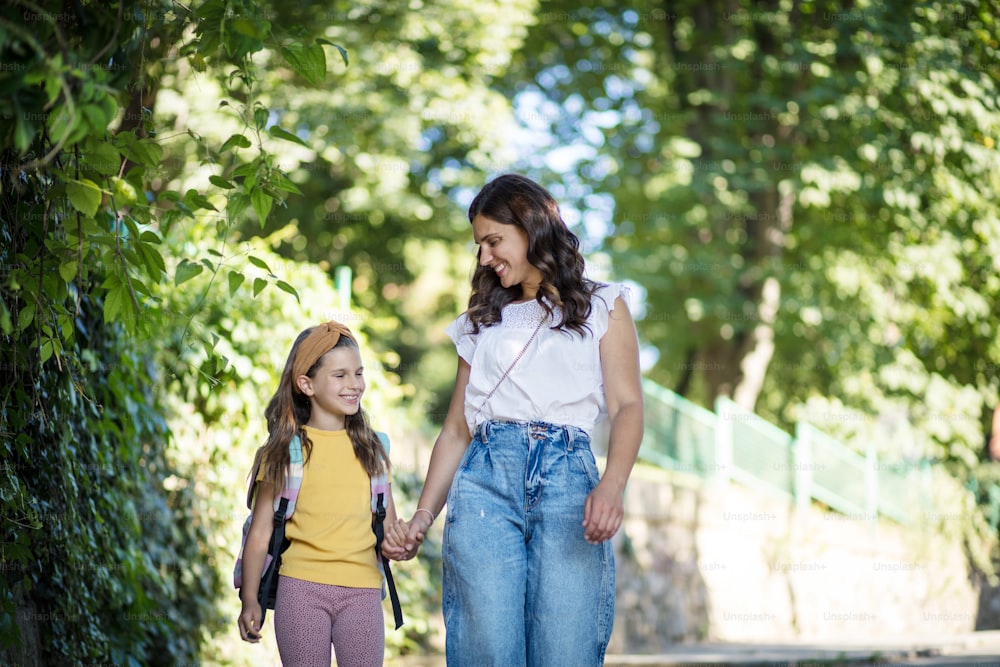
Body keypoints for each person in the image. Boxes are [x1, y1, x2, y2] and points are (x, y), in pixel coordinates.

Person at [383, 174, 644, 666]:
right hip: (485, 483)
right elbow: (457, 429)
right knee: (488, 651)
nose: (484, 257)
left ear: (530, 228)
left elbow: (628, 405)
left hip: (570, 484)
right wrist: (422, 517)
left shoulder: (604, 305)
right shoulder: (481, 319)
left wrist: (612, 484)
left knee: (565, 650)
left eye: (493, 241)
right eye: (479, 246)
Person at [237, 320, 405, 666]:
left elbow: (387, 525)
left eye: (358, 373)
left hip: (363, 593)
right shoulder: (284, 452)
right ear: (306, 384)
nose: (354, 385)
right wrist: (250, 599)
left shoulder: (375, 449)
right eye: (340, 375)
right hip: (300, 590)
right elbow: (260, 534)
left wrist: (402, 541)